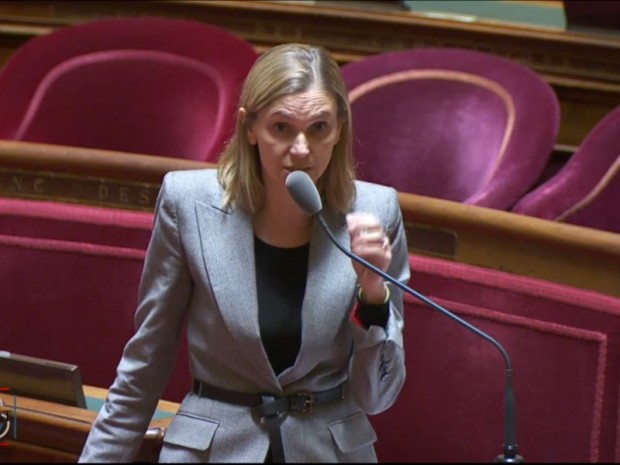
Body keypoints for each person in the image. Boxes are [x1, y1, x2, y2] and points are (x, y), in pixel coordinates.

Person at [79, 42, 410, 463]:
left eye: (319, 128)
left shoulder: (375, 212)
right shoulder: (187, 202)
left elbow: (378, 395)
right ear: (250, 128)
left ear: (340, 128)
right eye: (282, 128)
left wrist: (373, 293)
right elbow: (146, 362)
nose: (302, 149)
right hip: (213, 451)